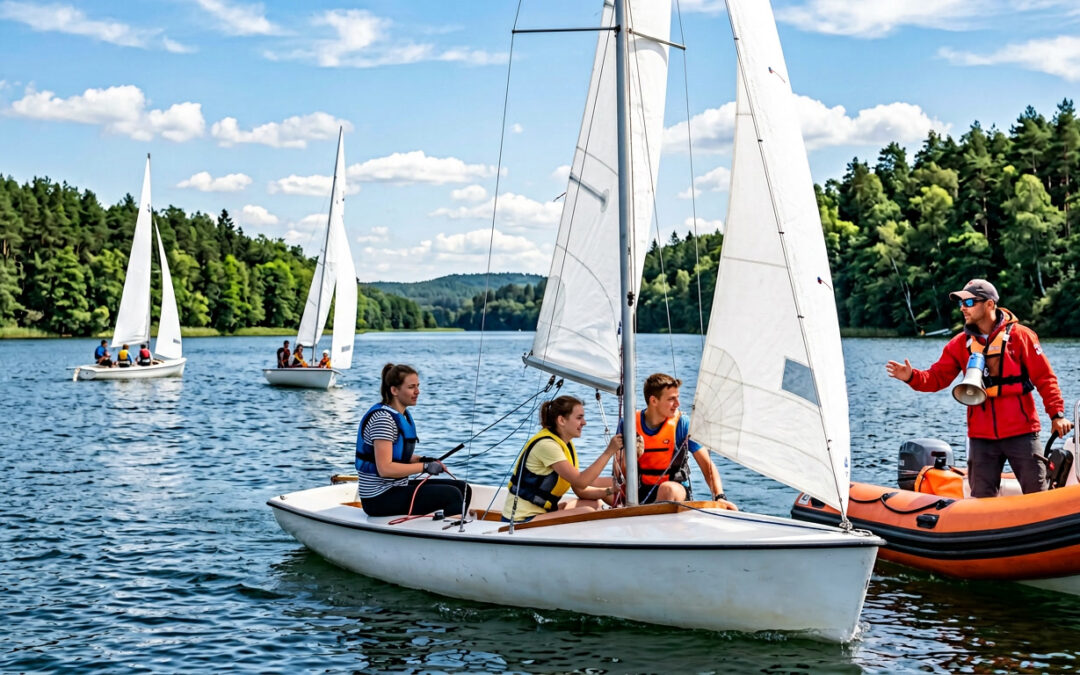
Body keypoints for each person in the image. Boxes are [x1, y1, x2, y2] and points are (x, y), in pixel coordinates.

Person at [886, 278, 1073, 497]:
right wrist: (911, 377)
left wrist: (1057, 414)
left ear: (989, 304)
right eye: (961, 304)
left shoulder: (1021, 336)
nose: (963, 309)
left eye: (969, 302)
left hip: (1022, 432)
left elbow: (1045, 378)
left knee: (1037, 495)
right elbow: (936, 378)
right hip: (981, 437)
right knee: (981, 500)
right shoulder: (958, 344)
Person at [354, 363, 471, 517]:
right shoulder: (383, 419)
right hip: (378, 498)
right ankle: (450, 534)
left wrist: (423, 460)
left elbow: (398, 456)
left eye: (418, 386)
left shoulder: (400, 416)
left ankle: (451, 526)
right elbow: (385, 468)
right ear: (394, 390)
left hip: (396, 488)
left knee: (464, 488)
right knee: (452, 495)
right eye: (411, 387)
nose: (417, 392)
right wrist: (424, 467)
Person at [501, 395, 623, 524]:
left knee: (593, 504)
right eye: (579, 418)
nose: (584, 422)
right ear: (561, 420)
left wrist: (610, 490)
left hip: (542, 513)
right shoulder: (547, 446)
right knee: (587, 512)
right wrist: (609, 451)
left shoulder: (565, 445)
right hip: (520, 520)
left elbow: (580, 490)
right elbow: (581, 481)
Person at [630, 373, 732, 506]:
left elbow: (707, 465)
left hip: (674, 490)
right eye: (672, 399)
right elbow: (619, 470)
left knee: (667, 489)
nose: (678, 404)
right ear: (654, 401)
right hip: (640, 489)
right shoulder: (630, 424)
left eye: (677, 397)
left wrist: (719, 496)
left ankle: (648, 513)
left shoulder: (682, 424)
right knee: (597, 485)